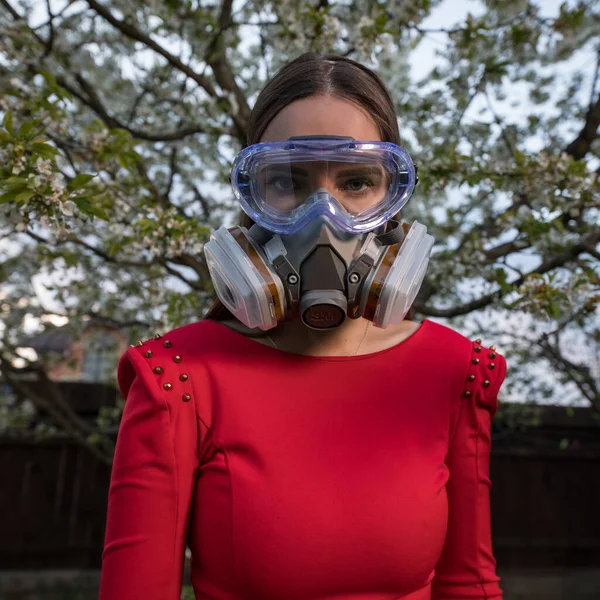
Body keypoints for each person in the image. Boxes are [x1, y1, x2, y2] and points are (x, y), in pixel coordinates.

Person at [99, 52, 507, 600]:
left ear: (391, 202)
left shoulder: (456, 372)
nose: (324, 215)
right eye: (288, 181)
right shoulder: (177, 380)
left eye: (357, 182)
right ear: (253, 199)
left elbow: (469, 585)